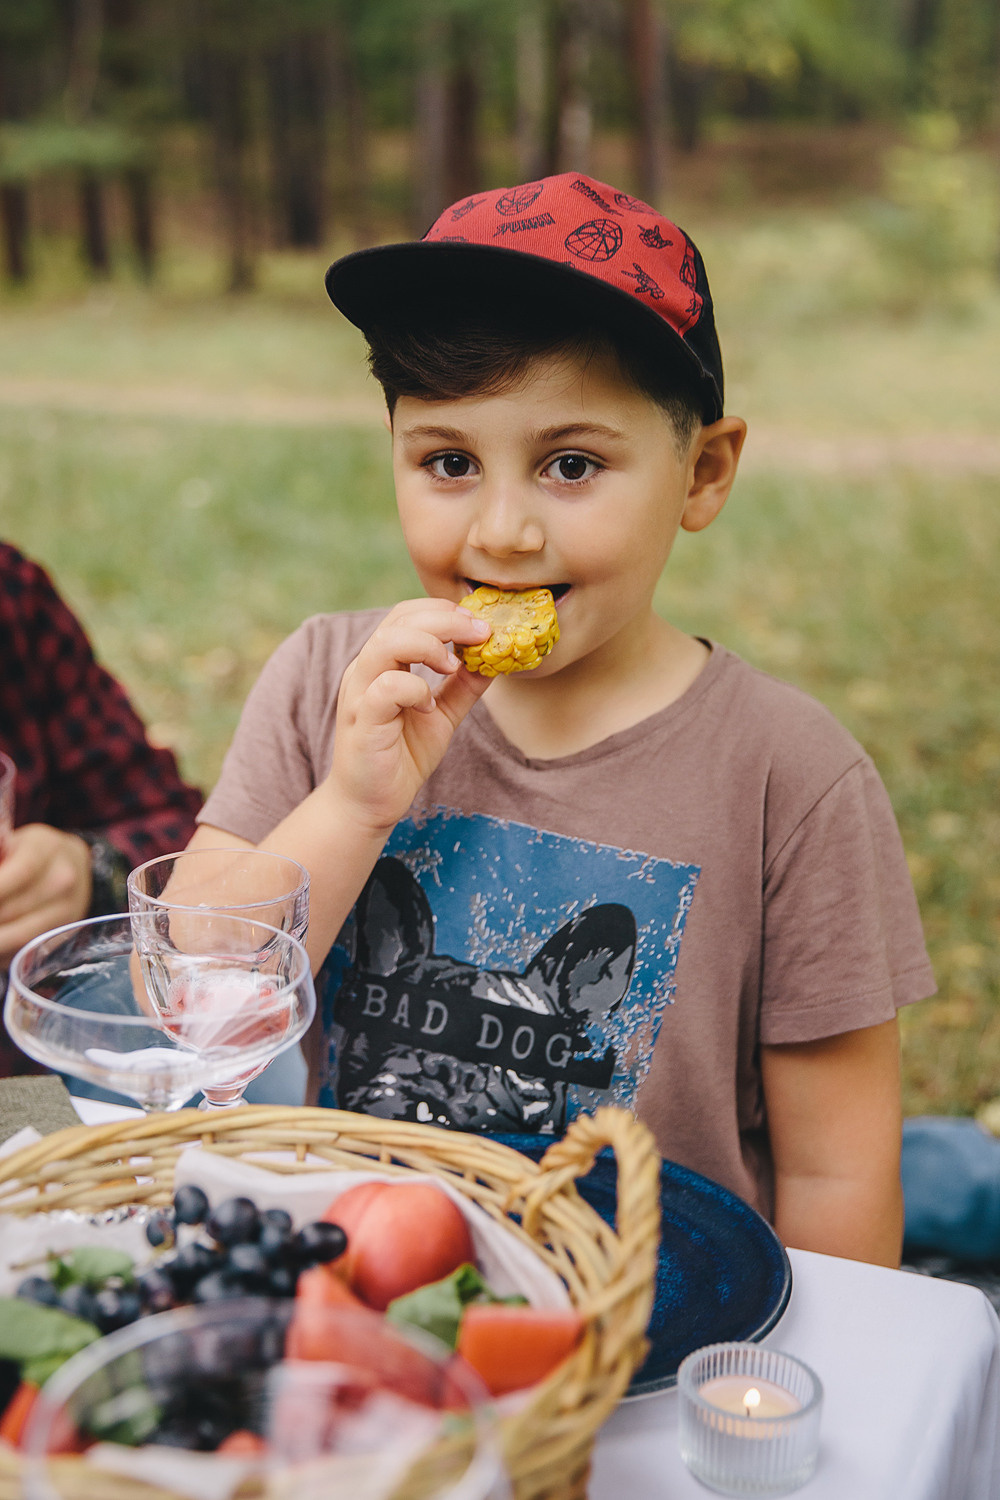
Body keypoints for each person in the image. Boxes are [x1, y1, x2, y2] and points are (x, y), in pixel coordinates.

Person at [185, 173, 935, 1267]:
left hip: (657, 1328)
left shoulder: (791, 777)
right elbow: (196, 987)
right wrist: (351, 804)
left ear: (703, 471)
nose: (501, 531)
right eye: (448, 462)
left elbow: (836, 1171)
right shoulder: (324, 683)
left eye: (570, 464)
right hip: (359, 1286)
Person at [0, 541, 203, 1074]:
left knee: (258, 1068)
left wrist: (86, 869)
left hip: (29, 1061)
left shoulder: (10, 594)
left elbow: (184, 835)